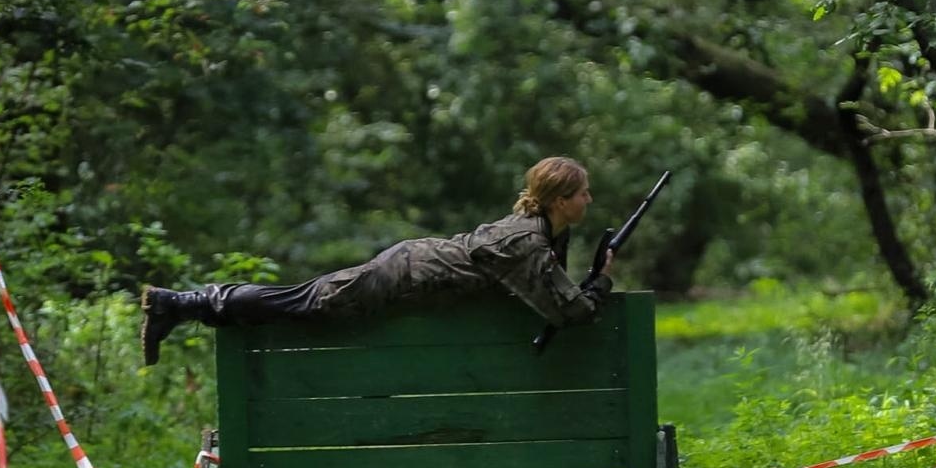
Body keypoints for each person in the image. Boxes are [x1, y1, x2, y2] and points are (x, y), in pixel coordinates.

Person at [139, 156, 614, 365]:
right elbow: (568, 311)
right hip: (403, 276)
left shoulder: (538, 234)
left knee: (306, 304)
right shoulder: (527, 243)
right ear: (558, 201)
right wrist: (603, 281)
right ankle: (182, 304)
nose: (590, 200)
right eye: (583, 193)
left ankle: (185, 305)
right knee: (306, 302)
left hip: (411, 266)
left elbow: (552, 286)